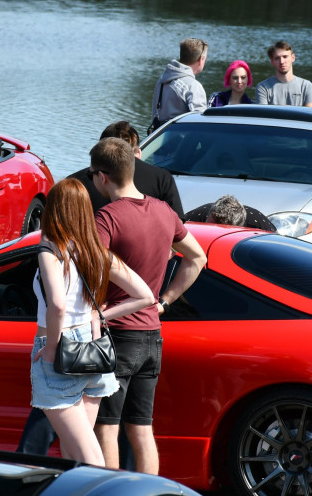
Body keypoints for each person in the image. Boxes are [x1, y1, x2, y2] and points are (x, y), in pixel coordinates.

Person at [90, 137, 208, 474]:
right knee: (141, 429)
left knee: (106, 427)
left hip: (118, 335)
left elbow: (92, 267)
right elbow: (197, 258)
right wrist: (165, 301)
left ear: (102, 177)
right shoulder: (164, 210)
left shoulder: (107, 218)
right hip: (152, 335)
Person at [30, 178, 155, 465]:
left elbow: (58, 304)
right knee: (76, 452)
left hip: (61, 349)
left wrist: (50, 347)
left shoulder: (50, 248)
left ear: (54, 210)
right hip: (91, 348)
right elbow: (145, 295)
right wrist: (98, 315)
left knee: (88, 456)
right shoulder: (96, 252)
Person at [68, 121, 184, 217]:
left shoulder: (73, 182)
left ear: (100, 150)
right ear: (138, 152)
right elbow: (177, 227)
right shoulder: (162, 178)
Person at [149, 38, 208, 133]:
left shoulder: (162, 80)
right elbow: (200, 124)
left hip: (159, 138)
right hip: (179, 142)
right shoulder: (193, 86)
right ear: (201, 59)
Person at [255, 41, 312, 107]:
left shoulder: (306, 86)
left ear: (293, 58)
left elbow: (311, 113)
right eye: (277, 58)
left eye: (285, 57)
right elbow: (263, 114)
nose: (282, 62)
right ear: (272, 62)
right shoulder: (263, 87)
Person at [183, 194, 277, 232]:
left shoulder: (260, 226)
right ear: (208, 216)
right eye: (211, 227)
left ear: (240, 225)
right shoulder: (193, 220)